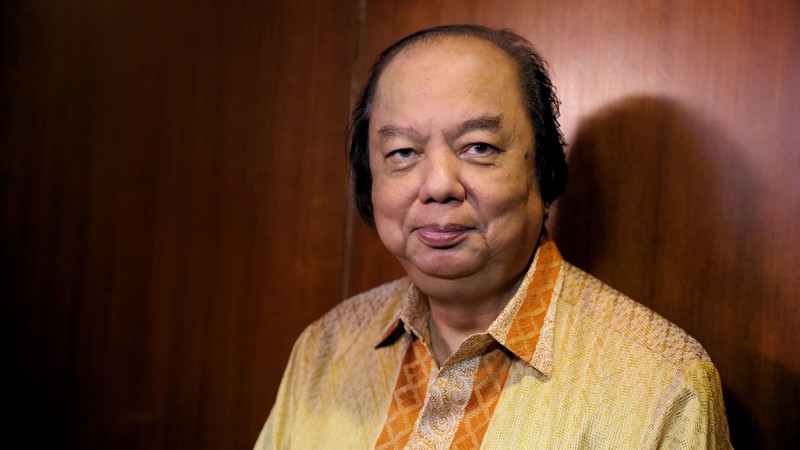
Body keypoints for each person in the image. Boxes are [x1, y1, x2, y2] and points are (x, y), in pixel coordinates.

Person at [254, 25, 731, 449]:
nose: (439, 184)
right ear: (369, 180)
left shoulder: (661, 382)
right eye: (402, 152)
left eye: (479, 147)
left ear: (542, 170)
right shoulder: (325, 351)